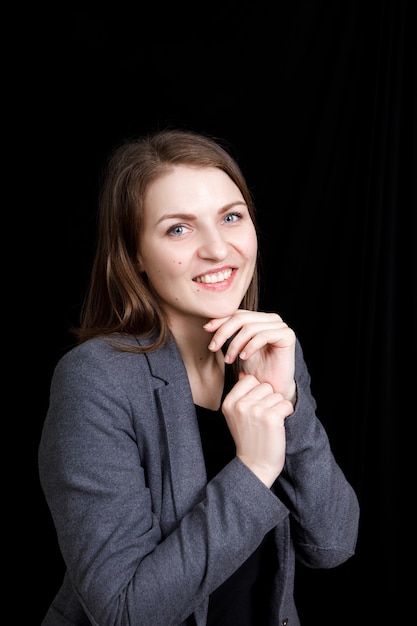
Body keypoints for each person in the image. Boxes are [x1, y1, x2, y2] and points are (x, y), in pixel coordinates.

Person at [38, 127, 360, 626]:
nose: (217, 249)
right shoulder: (95, 380)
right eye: (178, 229)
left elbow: (333, 543)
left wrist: (288, 399)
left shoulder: (267, 351)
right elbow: (126, 613)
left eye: (231, 217)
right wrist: (253, 469)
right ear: (135, 256)